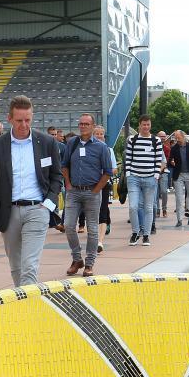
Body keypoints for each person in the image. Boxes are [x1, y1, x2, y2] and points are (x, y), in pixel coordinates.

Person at [0, 95, 63, 286]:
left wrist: (48, 204)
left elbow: (57, 176)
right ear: (9, 119)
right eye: (19, 120)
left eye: (27, 120)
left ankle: (29, 303)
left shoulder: (47, 143)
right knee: (16, 266)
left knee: (29, 266)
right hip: (8, 212)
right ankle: (23, 298)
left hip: (38, 209)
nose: (24, 125)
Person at [62, 114, 112, 277]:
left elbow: (108, 172)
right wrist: (68, 184)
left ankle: (89, 263)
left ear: (93, 126)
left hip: (92, 192)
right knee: (69, 226)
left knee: (92, 229)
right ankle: (77, 259)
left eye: (86, 124)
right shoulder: (72, 143)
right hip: (74, 191)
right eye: (81, 124)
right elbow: (64, 165)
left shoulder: (101, 147)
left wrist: (96, 190)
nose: (82, 126)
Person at [123, 114, 164, 246]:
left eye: (148, 124)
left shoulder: (156, 140)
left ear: (150, 125)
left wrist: (156, 175)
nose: (146, 127)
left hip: (150, 178)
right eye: (143, 124)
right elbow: (128, 157)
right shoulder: (132, 139)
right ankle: (135, 232)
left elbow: (158, 159)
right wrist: (128, 174)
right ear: (139, 125)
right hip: (134, 178)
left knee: (148, 208)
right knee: (133, 206)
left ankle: (146, 235)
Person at [94, 124, 117, 245]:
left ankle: (101, 236)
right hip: (91, 183)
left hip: (104, 182)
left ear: (104, 136)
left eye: (101, 134)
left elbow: (114, 169)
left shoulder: (109, 150)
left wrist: (105, 172)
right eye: (96, 134)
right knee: (94, 208)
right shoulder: (88, 149)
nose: (99, 136)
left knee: (103, 207)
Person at [169, 130, 189, 227]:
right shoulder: (174, 148)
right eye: (175, 137)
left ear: (183, 137)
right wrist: (171, 162)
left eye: (178, 137)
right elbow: (170, 160)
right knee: (179, 198)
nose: (177, 139)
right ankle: (179, 219)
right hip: (179, 175)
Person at [156, 131, 171, 217]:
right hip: (154, 172)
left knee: (164, 191)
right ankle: (157, 210)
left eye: (164, 136)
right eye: (161, 136)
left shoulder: (167, 148)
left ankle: (164, 209)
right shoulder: (153, 145)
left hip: (164, 171)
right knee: (155, 192)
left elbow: (166, 161)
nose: (163, 138)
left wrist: (161, 169)